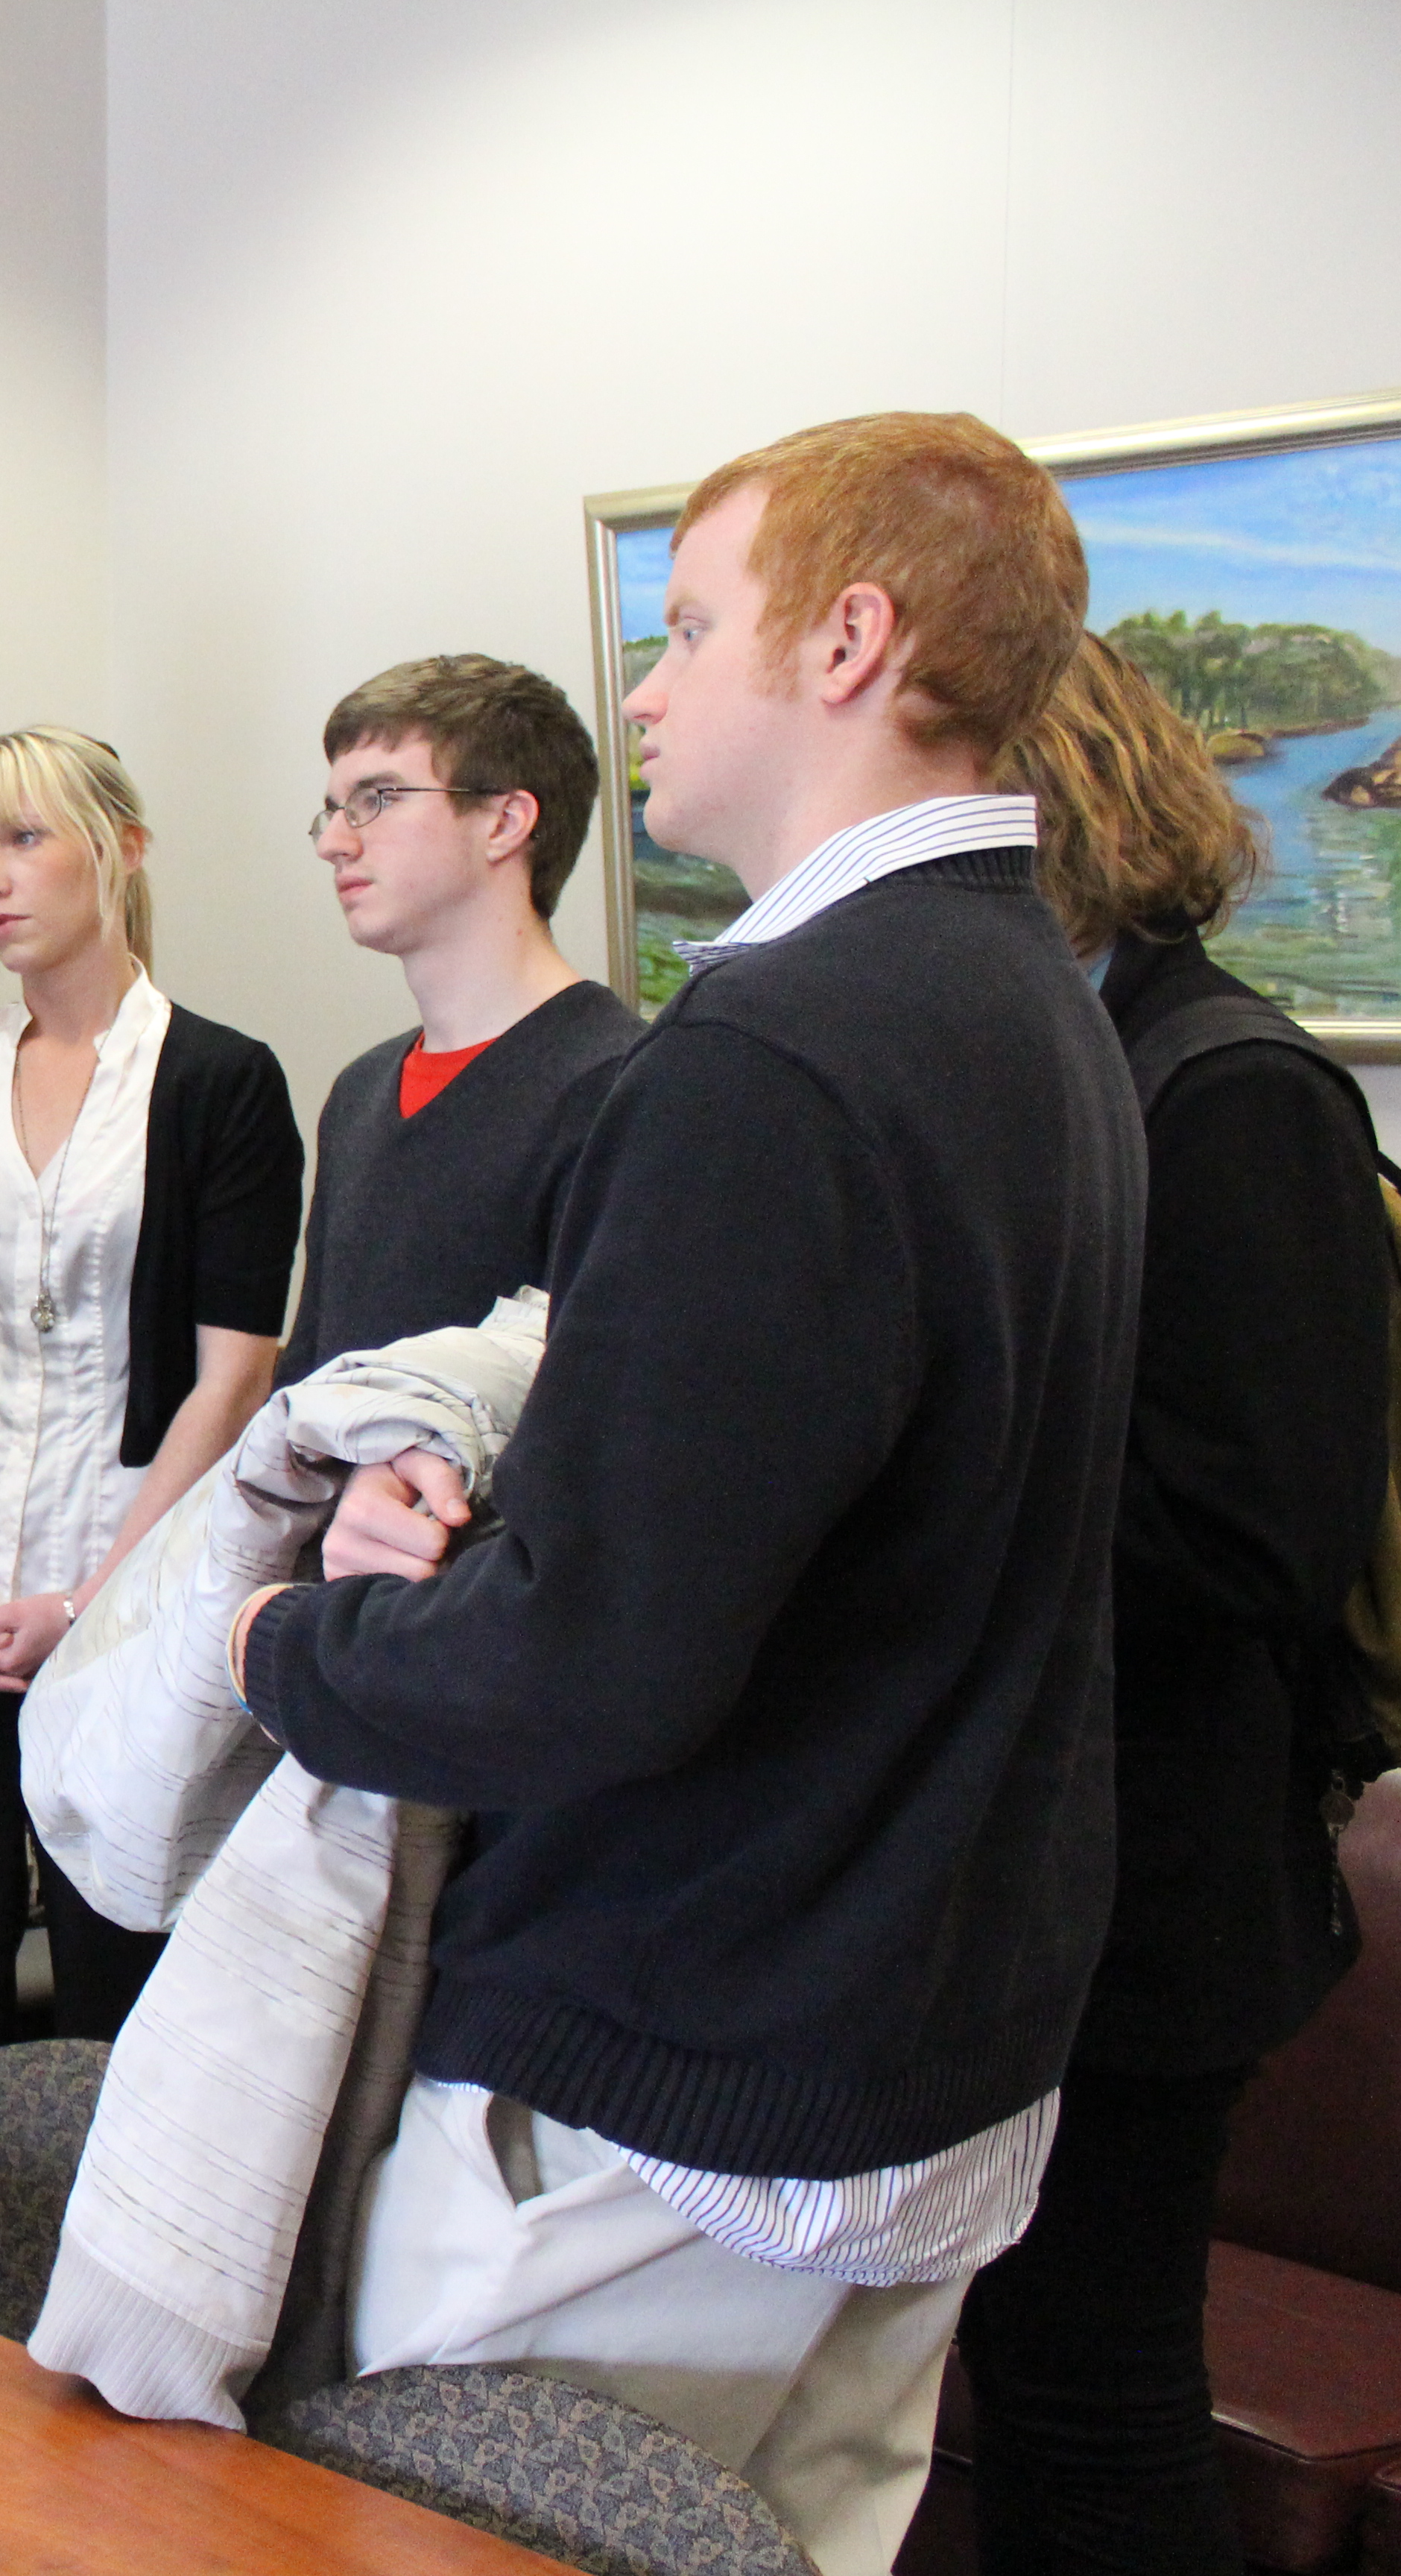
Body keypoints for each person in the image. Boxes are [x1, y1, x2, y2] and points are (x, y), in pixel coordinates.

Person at [222, 412, 1141, 2575]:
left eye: (687, 629)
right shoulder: (1038, 1003)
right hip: (928, 2034)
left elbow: (594, 1656)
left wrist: (293, 1647)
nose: (642, 690)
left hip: (689, 2076)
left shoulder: (773, 1050)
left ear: (850, 641)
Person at [956, 632, 1388, 2575]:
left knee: (1092, 2404)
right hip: (1041, 1870)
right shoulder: (1049, 1067)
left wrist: (924, 1486)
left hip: (1162, 1893)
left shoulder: (1233, 1092)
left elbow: (1254, 1536)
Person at [0, 727, 300, 2106]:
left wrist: (86, 1604)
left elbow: (231, 1376)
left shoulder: (220, 1081)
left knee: (120, 1989)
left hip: (127, 1605)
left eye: (23, 839)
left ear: (122, 849)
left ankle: (104, 2315)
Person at [280, 657, 637, 1383]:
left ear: (505, 821)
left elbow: (597, 1410)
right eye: (334, 808)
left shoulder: (622, 1088)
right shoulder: (361, 1091)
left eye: (377, 798)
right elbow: (310, 1377)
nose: (334, 842)